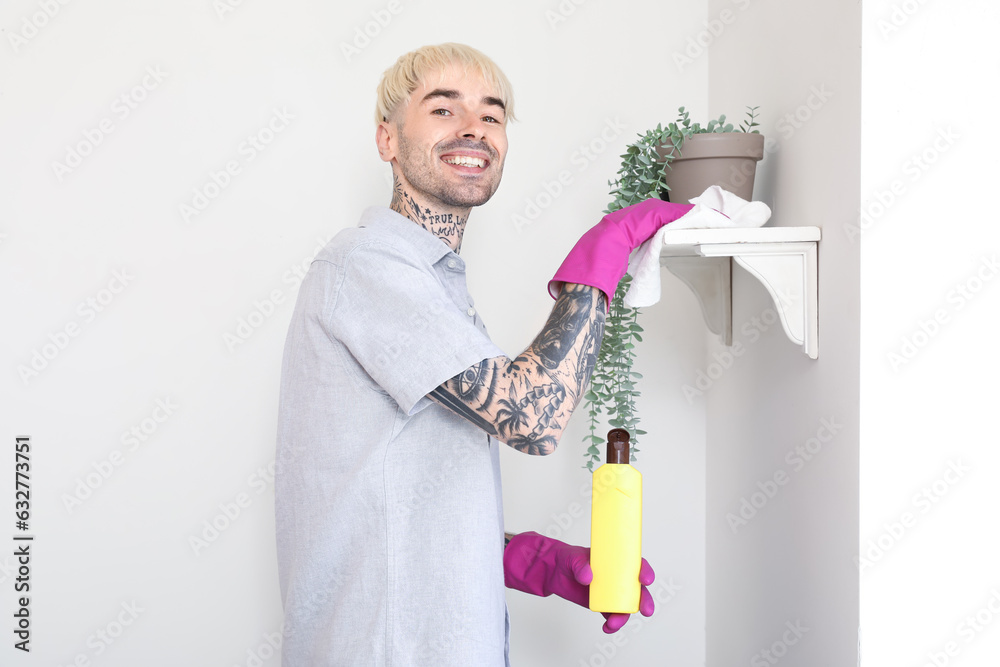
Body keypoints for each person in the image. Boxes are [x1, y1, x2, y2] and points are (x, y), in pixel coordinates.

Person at [275, 42, 693, 666]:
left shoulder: (435, 290)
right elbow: (534, 416)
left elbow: (397, 512)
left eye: (492, 116)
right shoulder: (365, 268)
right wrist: (599, 258)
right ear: (387, 139)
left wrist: (532, 561)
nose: (474, 127)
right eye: (443, 109)